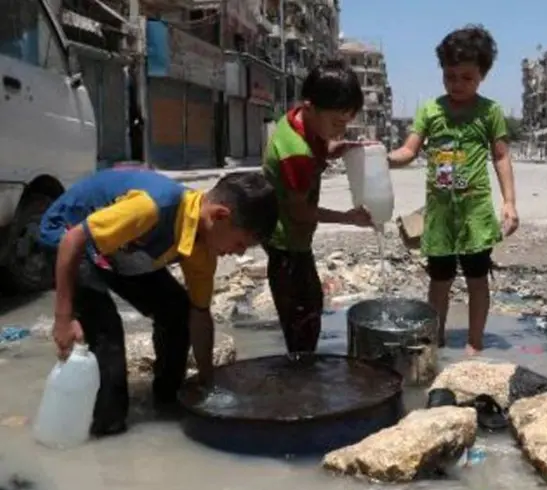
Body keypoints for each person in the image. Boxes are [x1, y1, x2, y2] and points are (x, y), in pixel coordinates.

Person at [38, 169, 278, 437]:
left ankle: (166, 400)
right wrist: (63, 318)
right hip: (69, 237)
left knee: (177, 311)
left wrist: (208, 382)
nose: (239, 253)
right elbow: (73, 241)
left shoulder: (203, 247)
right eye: (240, 243)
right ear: (219, 216)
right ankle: (107, 428)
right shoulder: (151, 208)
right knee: (107, 333)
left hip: (120, 249)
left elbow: (199, 315)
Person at [387, 25, 520, 356]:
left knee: (477, 279)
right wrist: (379, 158)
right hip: (441, 215)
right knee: (439, 281)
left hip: (475, 213)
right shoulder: (431, 110)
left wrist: (510, 202)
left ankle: (475, 341)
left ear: (482, 76)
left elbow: (501, 157)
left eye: (466, 78)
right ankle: (437, 338)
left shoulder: (489, 112)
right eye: (450, 77)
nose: (457, 84)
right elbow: (408, 151)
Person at [262, 59, 372, 354]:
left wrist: (343, 148)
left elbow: (321, 150)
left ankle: (302, 373)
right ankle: (299, 384)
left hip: (297, 239)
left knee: (311, 307)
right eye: (337, 123)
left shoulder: (304, 122)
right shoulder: (294, 152)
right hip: (285, 242)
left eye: (346, 122)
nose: (340, 129)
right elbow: (299, 210)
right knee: (301, 319)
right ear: (310, 108)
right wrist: (349, 219)